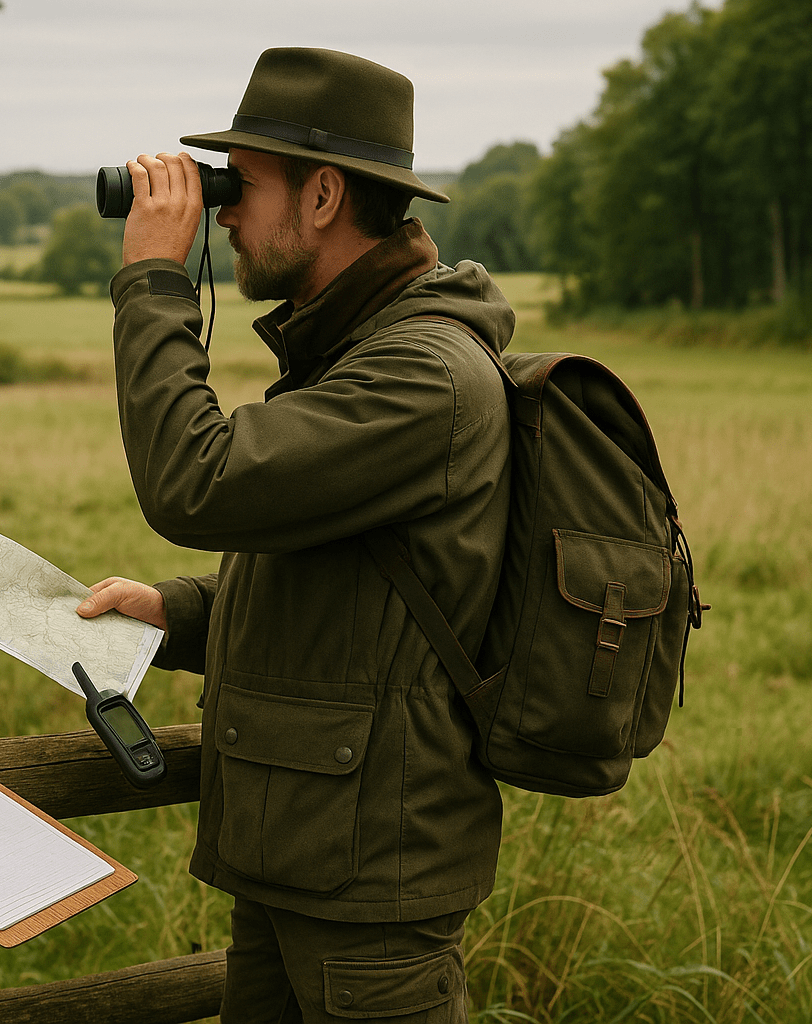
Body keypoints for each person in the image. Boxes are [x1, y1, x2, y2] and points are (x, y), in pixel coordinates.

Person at [75, 48, 516, 1023]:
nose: (220, 209)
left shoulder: (421, 372)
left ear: (323, 196)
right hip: (302, 855)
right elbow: (347, 580)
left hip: (372, 885)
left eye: (243, 182)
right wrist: (176, 612)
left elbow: (196, 484)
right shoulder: (354, 348)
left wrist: (154, 277)